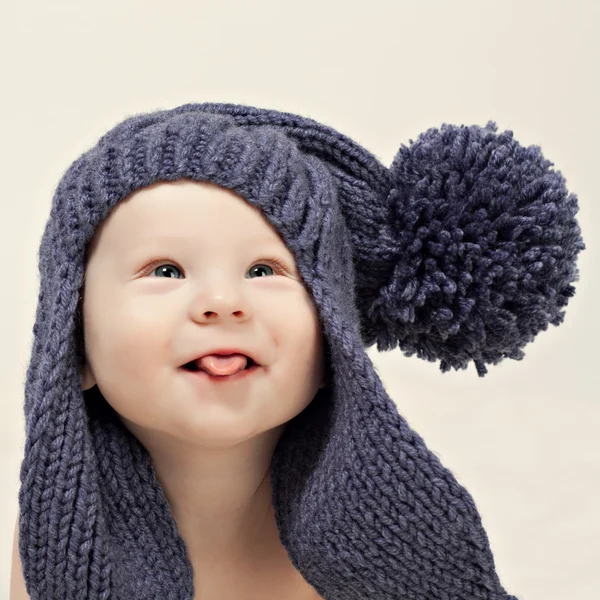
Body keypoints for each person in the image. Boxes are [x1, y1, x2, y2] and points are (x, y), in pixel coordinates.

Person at [13, 102, 585, 599]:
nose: (221, 301)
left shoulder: (376, 542)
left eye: (265, 269)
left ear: (335, 338)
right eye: (165, 270)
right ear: (73, 340)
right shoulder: (54, 541)